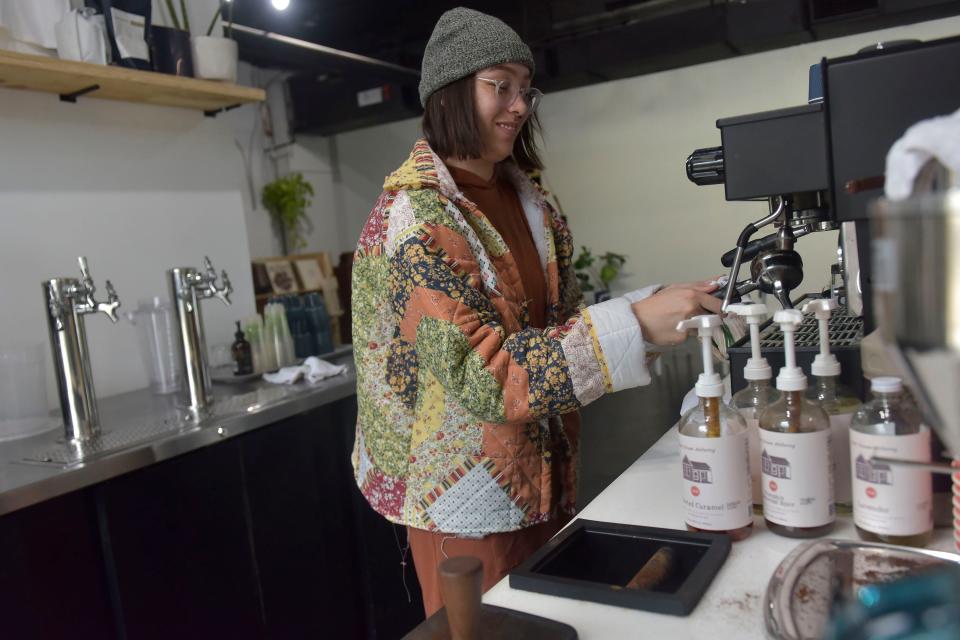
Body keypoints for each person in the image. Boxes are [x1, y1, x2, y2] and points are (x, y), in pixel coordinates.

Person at [350, 6, 722, 616]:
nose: (520, 105)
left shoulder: (530, 201)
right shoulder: (415, 217)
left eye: (526, 90)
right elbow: (483, 376)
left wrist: (653, 311)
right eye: (500, 85)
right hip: (464, 504)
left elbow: (561, 328)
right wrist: (632, 325)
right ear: (450, 91)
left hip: (545, 476)